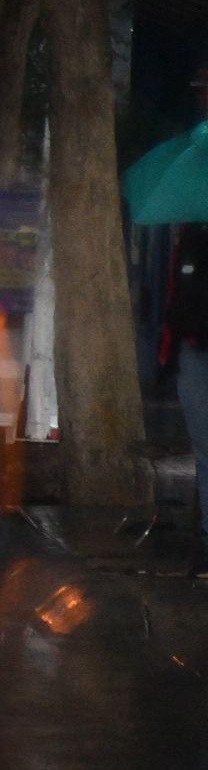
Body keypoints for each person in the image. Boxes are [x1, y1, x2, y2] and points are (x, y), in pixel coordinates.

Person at [163, 221, 208, 576]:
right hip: (194, 347)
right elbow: (178, 295)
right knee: (205, 450)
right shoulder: (191, 238)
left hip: (193, 347)